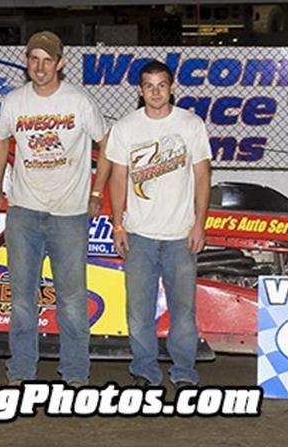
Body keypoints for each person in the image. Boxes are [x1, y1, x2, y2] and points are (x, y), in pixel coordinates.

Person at [0, 31, 110, 386]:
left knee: (71, 301)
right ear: (27, 62)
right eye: (33, 59)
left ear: (60, 63)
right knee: (22, 300)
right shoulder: (14, 102)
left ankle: (75, 374)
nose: (39, 67)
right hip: (23, 212)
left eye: (47, 60)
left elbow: (107, 145)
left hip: (69, 214)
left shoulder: (79, 102)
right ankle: (21, 371)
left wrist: (97, 191)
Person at [105, 61, 211, 389]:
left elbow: (203, 176)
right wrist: (118, 225)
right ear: (140, 90)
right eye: (149, 85)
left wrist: (199, 225)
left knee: (183, 312)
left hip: (180, 235)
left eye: (161, 85)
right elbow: (118, 178)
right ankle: (145, 372)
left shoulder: (190, 125)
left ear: (171, 88)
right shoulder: (125, 128)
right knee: (138, 312)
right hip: (139, 236)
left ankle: (183, 373)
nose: (155, 91)